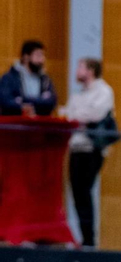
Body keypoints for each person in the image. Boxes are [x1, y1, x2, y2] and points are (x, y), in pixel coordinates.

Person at [60, 57, 114, 247]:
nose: (77, 70)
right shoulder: (78, 95)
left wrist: (76, 116)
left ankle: (90, 240)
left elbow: (95, 114)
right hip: (76, 147)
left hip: (92, 149)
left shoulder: (104, 91)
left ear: (90, 70)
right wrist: (77, 117)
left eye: (80, 67)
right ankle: (84, 238)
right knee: (76, 193)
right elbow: (67, 115)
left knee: (84, 191)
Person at [0, 40, 56, 116]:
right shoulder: (9, 78)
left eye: (43, 56)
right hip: (16, 124)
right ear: (26, 57)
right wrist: (21, 107)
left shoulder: (45, 79)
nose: (42, 60)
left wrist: (22, 100)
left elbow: (51, 102)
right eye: (38, 55)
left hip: (39, 123)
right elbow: (5, 101)